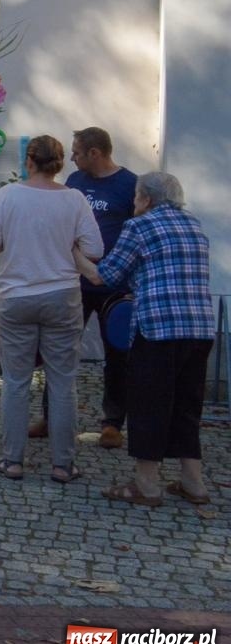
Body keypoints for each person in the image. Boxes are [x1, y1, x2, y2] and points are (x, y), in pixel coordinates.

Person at [74, 172, 215, 507]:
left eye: (136, 197)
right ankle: (193, 483)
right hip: (199, 329)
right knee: (186, 405)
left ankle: (147, 485)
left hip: (158, 329)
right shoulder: (193, 224)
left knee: (149, 404)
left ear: (147, 199)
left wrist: (73, 253)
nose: (133, 202)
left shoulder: (139, 227)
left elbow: (103, 275)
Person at [0, 135, 102, 484]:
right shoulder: (75, 199)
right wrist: (68, 246)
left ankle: (13, 461)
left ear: (29, 161)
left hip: (16, 296)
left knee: (16, 381)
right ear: (60, 163)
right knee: (63, 382)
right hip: (62, 295)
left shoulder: (8, 195)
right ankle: (63, 465)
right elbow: (95, 249)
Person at [50, 126, 136, 449]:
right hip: (74, 281)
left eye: (76, 152)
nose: (71, 157)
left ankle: (113, 422)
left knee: (117, 355)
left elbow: (136, 234)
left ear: (95, 153)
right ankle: (51, 415)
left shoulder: (129, 185)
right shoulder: (75, 183)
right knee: (60, 349)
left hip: (116, 285)